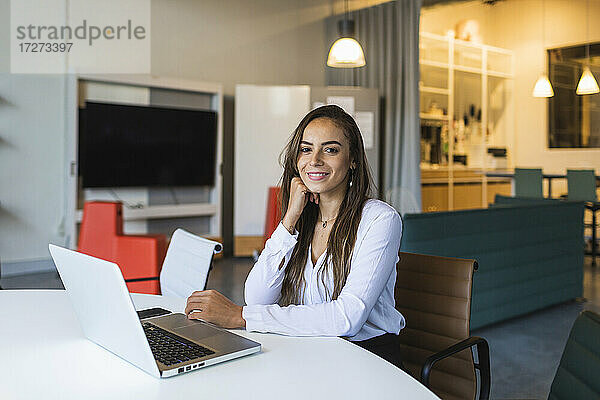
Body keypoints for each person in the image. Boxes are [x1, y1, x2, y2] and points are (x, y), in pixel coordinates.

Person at [185, 105, 405, 369]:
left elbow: (348, 318)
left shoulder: (380, 219)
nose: (315, 160)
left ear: (353, 159)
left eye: (331, 149)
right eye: (306, 149)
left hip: (366, 359)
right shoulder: (302, 218)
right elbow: (257, 297)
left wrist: (242, 317)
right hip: (311, 349)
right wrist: (289, 219)